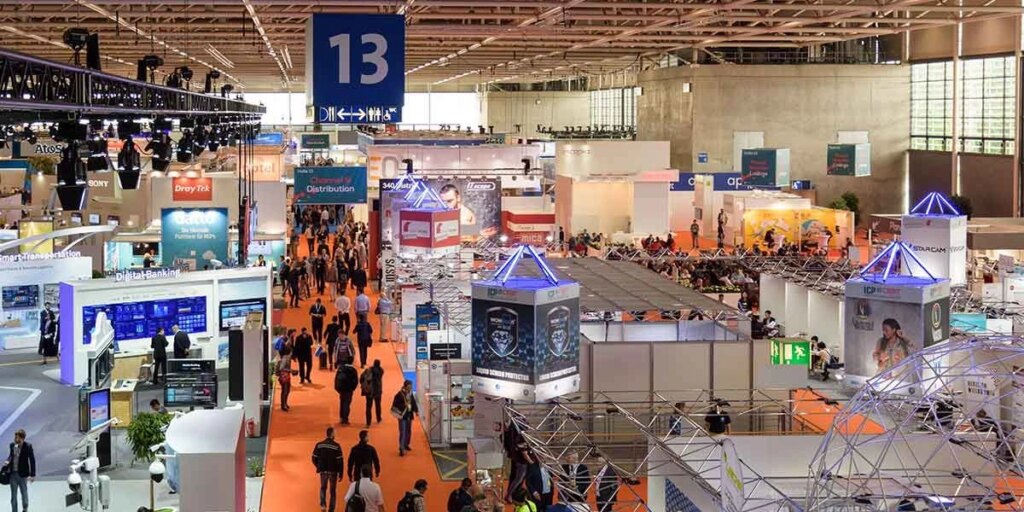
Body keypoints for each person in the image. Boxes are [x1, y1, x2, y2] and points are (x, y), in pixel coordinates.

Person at [312, 427, 345, 512]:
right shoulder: (336, 446)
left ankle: (323, 505)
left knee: (323, 488)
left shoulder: (319, 445)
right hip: (333, 472)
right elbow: (340, 461)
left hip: (323, 471)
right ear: (332, 434)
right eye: (335, 433)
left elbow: (314, 457)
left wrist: (319, 466)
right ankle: (331, 509)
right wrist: (341, 473)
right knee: (332, 491)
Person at [4, 429, 35, 512]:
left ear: (22, 438)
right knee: (13, 496)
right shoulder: (12, 445)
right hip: (13, 475)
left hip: (23, 475)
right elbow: (11, 456)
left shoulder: (28, 446)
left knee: (24, 495)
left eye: (17, 438)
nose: (15, 439)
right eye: (15, 437)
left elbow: (32, 460)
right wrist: (7, 462)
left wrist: (32, 474)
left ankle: (25, 509)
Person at [393, 380, 418, 456]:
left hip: (409, 415)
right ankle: (401, 448)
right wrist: (404, 405)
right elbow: (395, 405)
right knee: (403, 432)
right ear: (405, 386)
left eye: (411, 387)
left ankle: (406, 444)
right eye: (409, 387)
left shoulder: (410, 394)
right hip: (402, 416)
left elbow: (413, 402)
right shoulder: (399, 395)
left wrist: (416, 410)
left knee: (408, 431)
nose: (410, 388)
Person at [335, 359, 359, 425]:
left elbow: (336, 379)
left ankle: (341, 417)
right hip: (349, 389)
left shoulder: (341, 369)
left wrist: (337, 388)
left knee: (342, 403)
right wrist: (353, 388)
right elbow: (356, 381)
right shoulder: (353, 370)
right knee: (347, 404)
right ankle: (345, 419)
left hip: (342, 389)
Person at [362, 359, 385, 427]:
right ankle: (379, 418)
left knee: (368, 407)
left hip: (369, 391)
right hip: (378, 391)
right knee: (378, 405)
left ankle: (368, 422)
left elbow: (362, 378)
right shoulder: (381, 371)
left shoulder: (368, 370)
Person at [276, 344, 294, 411]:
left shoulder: (287, 358)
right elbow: (281, 368)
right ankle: (283, 405)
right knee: (285, 391)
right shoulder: (285, 358)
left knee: (287, 390)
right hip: (284, 377)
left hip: (286, 376)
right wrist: (291, 371)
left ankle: (285, 403)